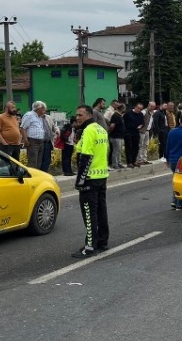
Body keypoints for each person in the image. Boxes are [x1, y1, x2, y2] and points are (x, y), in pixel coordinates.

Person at [71, 105, 110, 258]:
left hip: (90, 179)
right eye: (77, 115)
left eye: (80, 115)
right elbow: (106, 151)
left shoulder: (89, 131)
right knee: (101, 210)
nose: (77, 118)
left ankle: (90, 246)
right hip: (101, 176)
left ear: (88, 115)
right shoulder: (101, 129)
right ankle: (102, 241)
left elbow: (86, 157)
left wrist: (80, 181)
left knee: (89, 213)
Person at [20, 101, 49, 170]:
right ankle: (31, 178)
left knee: (39, 162)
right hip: (32, 141)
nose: (45, 111)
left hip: (41, 141)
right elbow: (22, 128)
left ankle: (36, 177)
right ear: (38, 109)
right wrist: (25, 140)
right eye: (43, 109)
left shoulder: (40, 117)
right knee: (33, 161)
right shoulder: (29, 115)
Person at [123, 103, 144, 168]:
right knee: (129, 147)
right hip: (128, 132)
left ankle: (133, 161)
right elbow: (123, 121)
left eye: (140, 109)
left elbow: (143, 122)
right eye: (138, 108)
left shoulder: (141, 114)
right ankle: (129, 162)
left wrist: (141, 126)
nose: (139, 110)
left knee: (136, 147)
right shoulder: (128, 113)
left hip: (136, 132)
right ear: (135, 107)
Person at [109, 104, 126, 169]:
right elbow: (112, 126)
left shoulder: (119, 116)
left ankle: (119, 163)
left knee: (119, 151)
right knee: (116, 151)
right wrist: (110, 132)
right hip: (116, 136)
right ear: (122, 109)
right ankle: (115, 164)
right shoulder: (115, 116)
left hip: (120, 136)